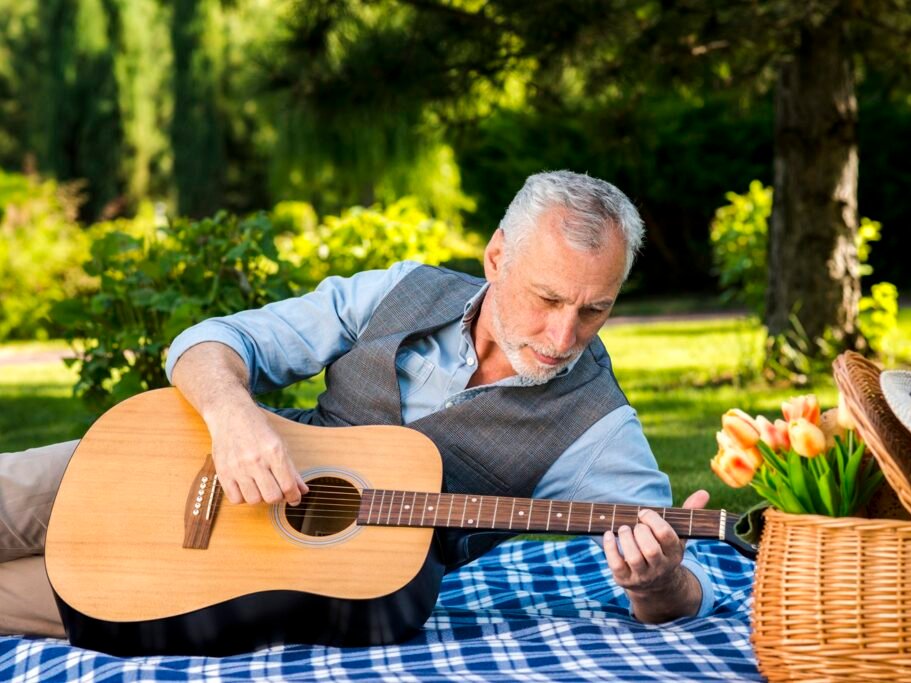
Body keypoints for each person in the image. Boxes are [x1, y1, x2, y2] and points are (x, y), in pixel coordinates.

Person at [0, 170, 714, 639]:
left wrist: (661, 583)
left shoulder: (601, 427)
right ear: (497, 257)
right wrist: (235, 418)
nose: (564, 336)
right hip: (186, 458)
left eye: (595, 309)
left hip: (251, 583)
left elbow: (684, 593)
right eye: (547, 298)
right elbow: (215, 340)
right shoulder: (402, 289)